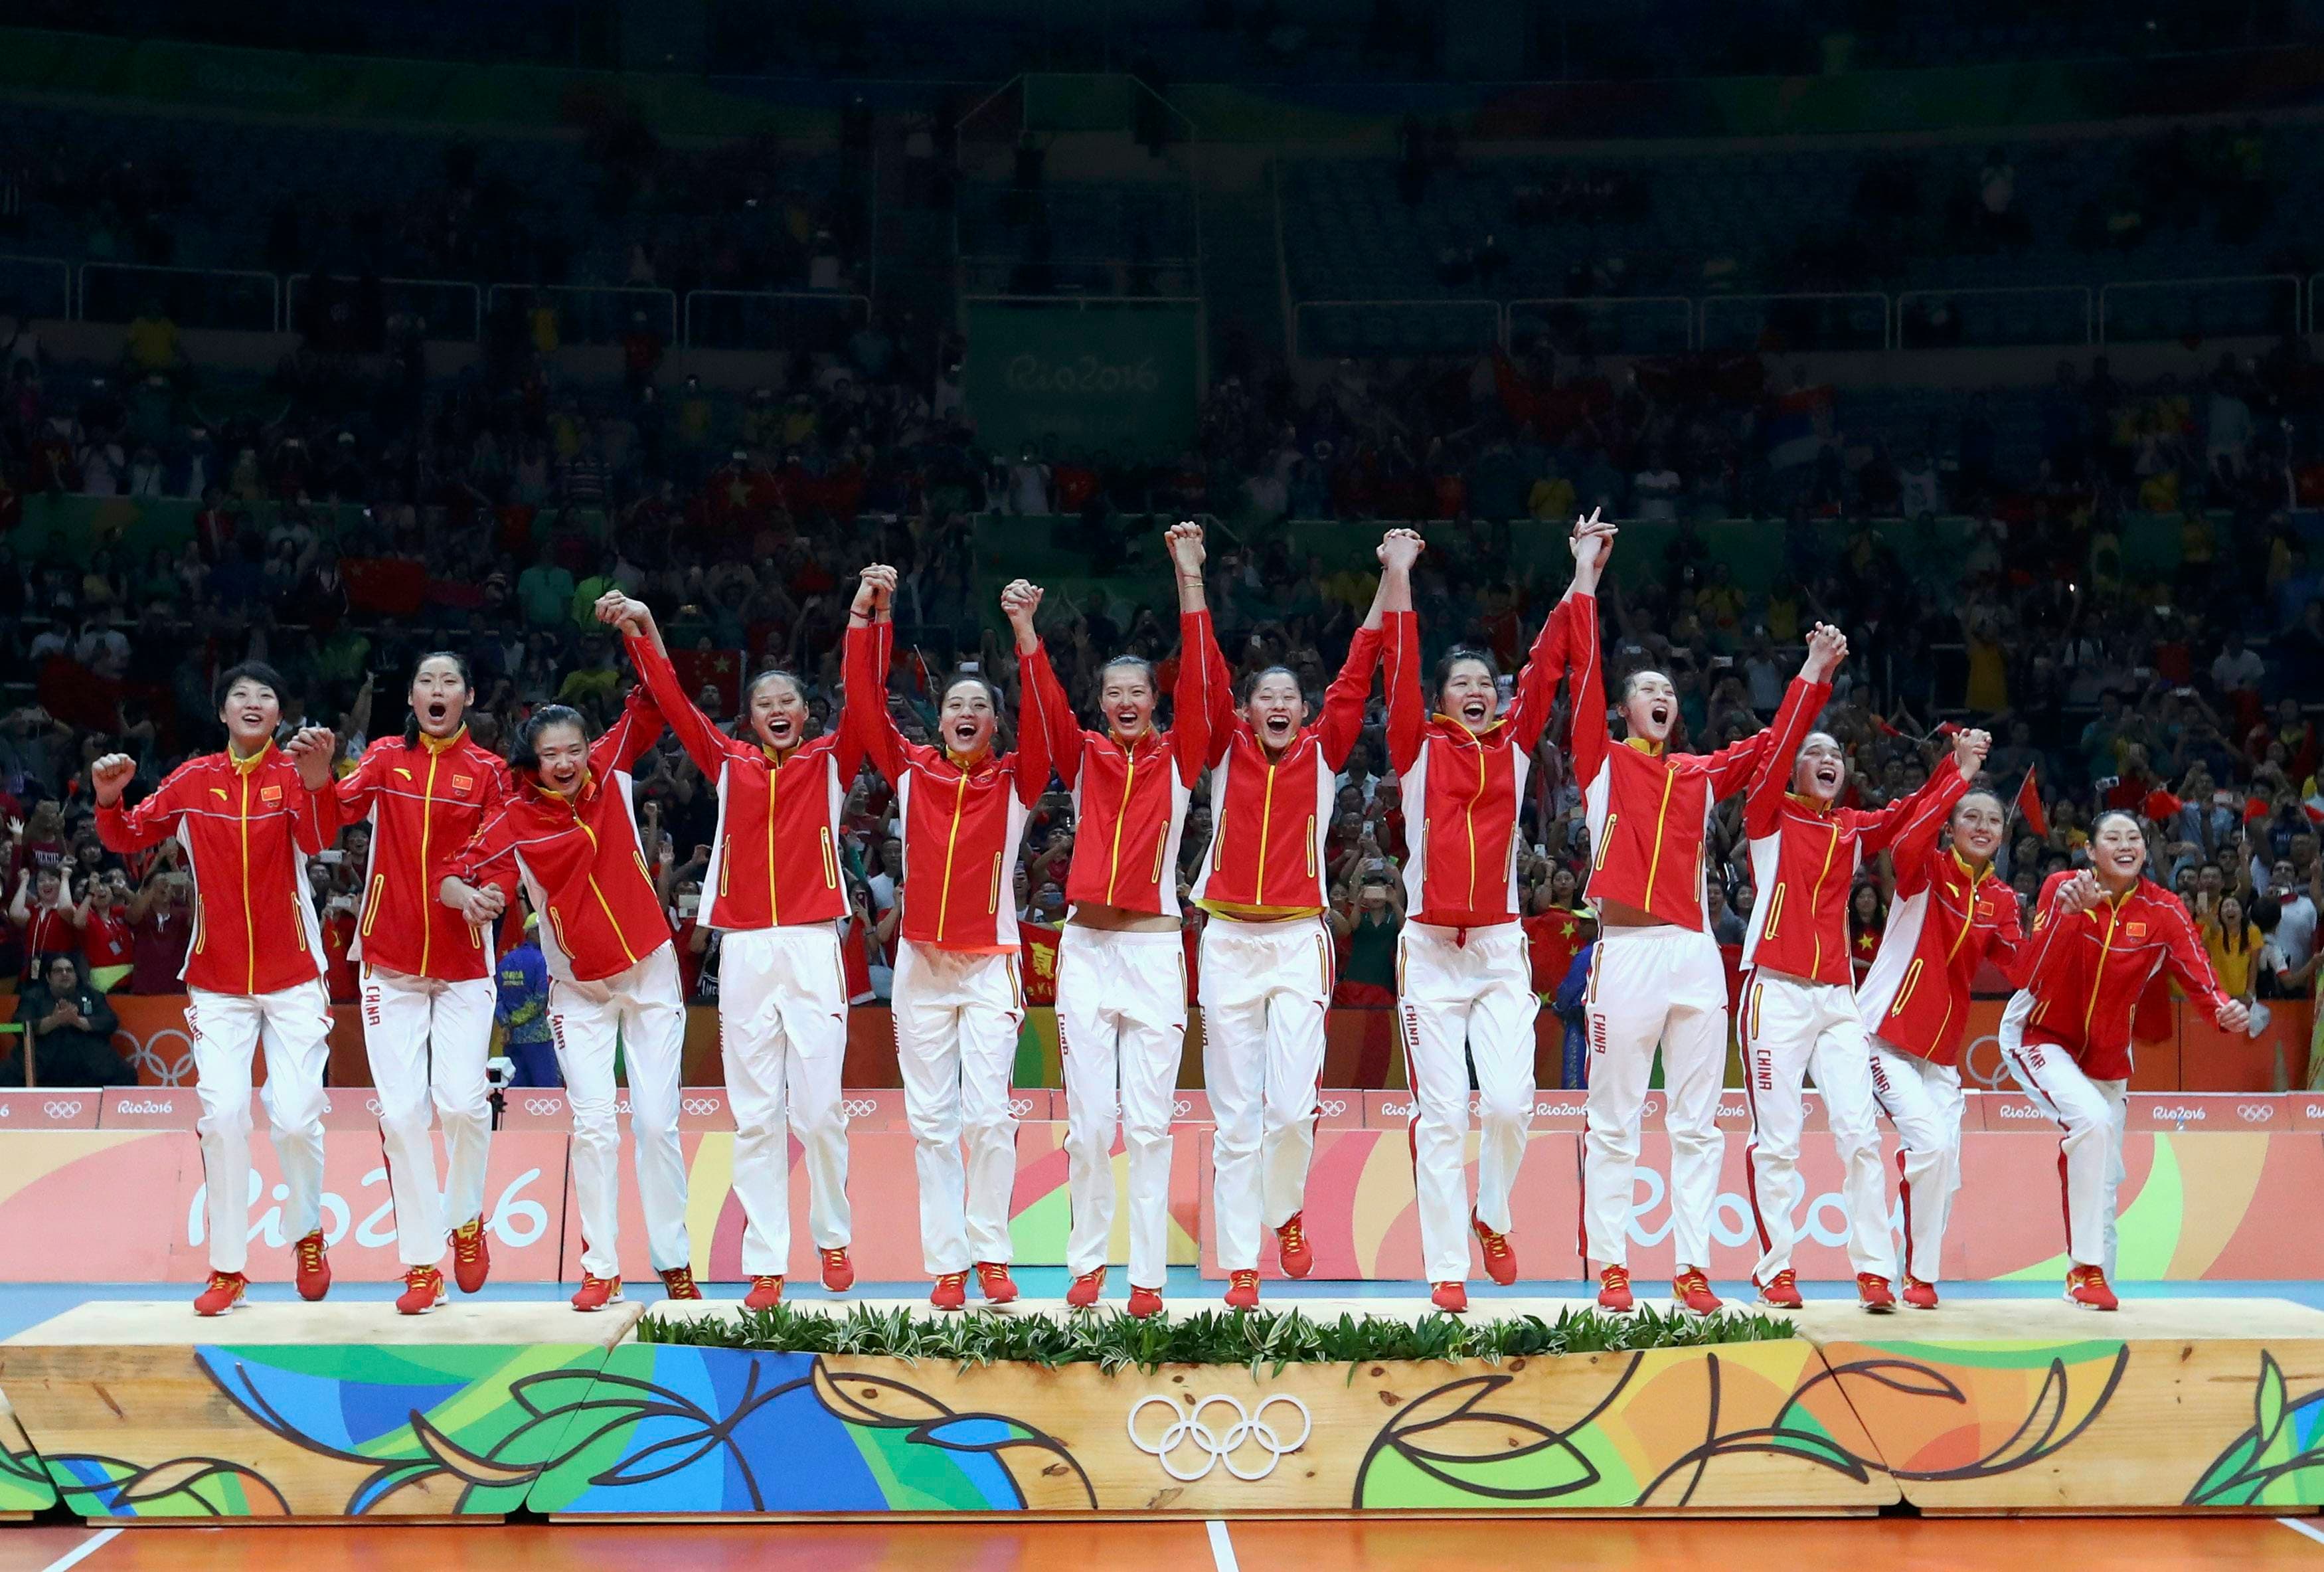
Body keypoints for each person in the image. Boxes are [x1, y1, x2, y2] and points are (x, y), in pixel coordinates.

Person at [1554, 511, 1821, 1315]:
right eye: (1645, 691)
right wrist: (1585, 574)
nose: (1660, 696)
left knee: (1697, 1124)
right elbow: (1583, 669)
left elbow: (1773, 746)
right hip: (1626, 955)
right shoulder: (1599, 765)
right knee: (1615, 1120)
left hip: (1695, 954)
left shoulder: (1702, 774)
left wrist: (1811, 668)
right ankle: (1610, 1265)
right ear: (1624, 712)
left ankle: (1692, 1266)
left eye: (1668, 690)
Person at [598, 576, 881, 1312]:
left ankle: (834, 1236)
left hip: (816, 947)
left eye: (787, 701)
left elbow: (864, 695)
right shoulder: (727, 762)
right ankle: (766, 1264)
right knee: (755, 1117)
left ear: (804, 713)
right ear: (750, 717)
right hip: (747, 951)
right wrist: (643, 624)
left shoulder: (829, 760)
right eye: (764, 704)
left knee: (818, 1112)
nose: (777, 711)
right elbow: (672, 695)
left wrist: (862, 615)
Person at [1735, 658, 1983, 1314]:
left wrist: (1953, 773)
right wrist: (1813, 674)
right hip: (1775, 993)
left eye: (1834, 755)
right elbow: (1782, 742)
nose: (1824, 760)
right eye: (1811, 753)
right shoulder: (1767, 817)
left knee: (1858, 1136)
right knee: (1778, 1138)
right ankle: (1773, 1270)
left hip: (1836, 1001)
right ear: (1792, 768)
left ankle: (1874, 1271)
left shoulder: (1847, 829)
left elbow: (1905, 816)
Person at [1012, 523, 1214, 1319]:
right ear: (1102, 707)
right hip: (1087, 954)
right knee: (1092, 1127)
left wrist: (1187, 575)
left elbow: (1202, 681)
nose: (1126, 703)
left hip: (1156, 955)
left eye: (1138, 692)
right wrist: (1026, 629)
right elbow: (1044, 703)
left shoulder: (1181, 757)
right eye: (1113, 695)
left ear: (1154, 702)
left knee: (1153, 1126)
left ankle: (1150, 1279)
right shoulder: (1085, 755)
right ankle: (1087, 1262)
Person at [92, 663, 337, 1317]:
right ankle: (228, 1269)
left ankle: (307, 1234)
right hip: (217, 982)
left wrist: (317, 784)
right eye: (240, 695)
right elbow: (126, 836)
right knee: (224, 1119)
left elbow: (320, 837)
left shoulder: (291, 778)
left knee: (294, 1117)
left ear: (279, 716)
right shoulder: (193, 780)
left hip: (293, 976)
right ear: (223, 713)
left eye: (266, 696)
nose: (253, 702)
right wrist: (110, 798)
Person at [440, 692, 692, 1313]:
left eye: (574, 749)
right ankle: (601, 1267)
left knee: (658, 1125)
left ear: (589, 749)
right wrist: (463, 898)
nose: (566, 762)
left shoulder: (610, 768)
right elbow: (455, 870)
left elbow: (652, 707)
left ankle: (674, 1259)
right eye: (551, 753)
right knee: (595, 1127)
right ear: (533, 759)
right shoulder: (514, 816)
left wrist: (638, 627)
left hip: (650, 974)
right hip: (578, 989)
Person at [1188, 535, 1390, 1309]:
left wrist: (1384, 581)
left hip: (1299, 938)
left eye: (1288, 699)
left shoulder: (1322, 752)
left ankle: (1288, 1212)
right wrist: (1193, 577)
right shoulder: (1218, 748)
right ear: (1245, 710)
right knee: (1235, 1116)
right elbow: (1202, 669)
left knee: (1293, 1103)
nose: (1277, 707)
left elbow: (1357, 670)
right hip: (1229, 941)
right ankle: (1243, 1262)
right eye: (1262, 698)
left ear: (1303, 713)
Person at [846, 566, 1051, 1310]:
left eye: (978, 706)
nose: (966, 712)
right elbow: (864, 703)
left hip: (990, 967)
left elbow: (1053, 726)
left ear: (994, 724)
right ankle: (945, 1263)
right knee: (932, 1125)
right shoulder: (910, 773)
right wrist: (872, 614)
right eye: (954, 704)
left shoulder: (1016, 784)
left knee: (989, 1116)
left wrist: (1025, 636)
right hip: (921, 972)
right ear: (938, 721)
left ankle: (993, 1255)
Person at [1380, 527, 1568, 1314]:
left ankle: (1493, 1215)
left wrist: (1580, 577)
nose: (1475, 689)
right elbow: (1392, 668)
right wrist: (1397, 577)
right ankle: (1445, 1268)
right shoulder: (1415, 748)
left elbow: (1548, 666)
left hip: (1496, 949)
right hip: (1427, 951)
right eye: (1459, 682)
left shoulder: (1516, 750)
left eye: (1483, 680)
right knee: (1442, 1113)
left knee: (1509, 1104)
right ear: (1439, 698)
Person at [292, 652, 511, 1317]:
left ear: (467, 695)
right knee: (401, 1115)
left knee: (464, 1105)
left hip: (466, 964)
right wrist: (316, 777)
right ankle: (421, 1264)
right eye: (426, 682)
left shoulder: (491, 772)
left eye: (449, 681)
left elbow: (504, 858)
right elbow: (329, 821)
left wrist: (490, 895)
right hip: (389, 962)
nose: (437, 691)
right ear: (412, 699)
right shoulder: (385, 758)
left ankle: (466, 1220)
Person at [2001, 810, 2250, 1310]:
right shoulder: (2062, 888)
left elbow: (2195, 968)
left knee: (2106, 1174)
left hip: (2109, 1055)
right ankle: (2084, 1271)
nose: (2125, 844)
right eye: (2112, 837)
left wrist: (2222, 1008)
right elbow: (2033, 971)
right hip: (2041, 1031)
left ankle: (2092, 1290)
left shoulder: (2164, 909)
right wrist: (2071, 917)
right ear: (2091, 851)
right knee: (2090, 1124)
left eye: (2134, 837)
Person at [1858, 789, 2045, 1308]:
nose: (1982, 826)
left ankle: (1912, 1278)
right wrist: (1953, 782)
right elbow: (1905, 842)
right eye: (1970, 816)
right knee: (1931, 1147)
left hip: (1939, 1057)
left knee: (1945, 1168)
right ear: (1950, 825)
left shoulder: (2002, 900)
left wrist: (2058, 924)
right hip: (1884, 1038)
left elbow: (2022, 967)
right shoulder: (1925, 870)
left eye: (1992, 819)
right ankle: (1908, 1276)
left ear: (2003, 834)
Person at [6, 952, 131, 1087]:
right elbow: (17, 1027)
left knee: (127, 1074)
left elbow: (111, 1022)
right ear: (48, 977)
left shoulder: (92, 995)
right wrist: (53, 1021)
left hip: (88, 1064)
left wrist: (79, 1022)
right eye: (58, 971)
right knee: (6, 1076)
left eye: (69, 970)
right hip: (44, 1064)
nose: (65, 974)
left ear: (76, 976)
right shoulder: (33, 997)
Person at [494, 915, 559, 1087]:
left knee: (515, 1093)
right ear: (531, 933)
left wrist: (506, 1023)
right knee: (548, 1093)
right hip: (539, 1039)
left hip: (511, 1039)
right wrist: (515, 1021)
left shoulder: (505, 961)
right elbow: (541, 998)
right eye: (541, 931)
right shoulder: (542, 961)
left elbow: (497, 998)